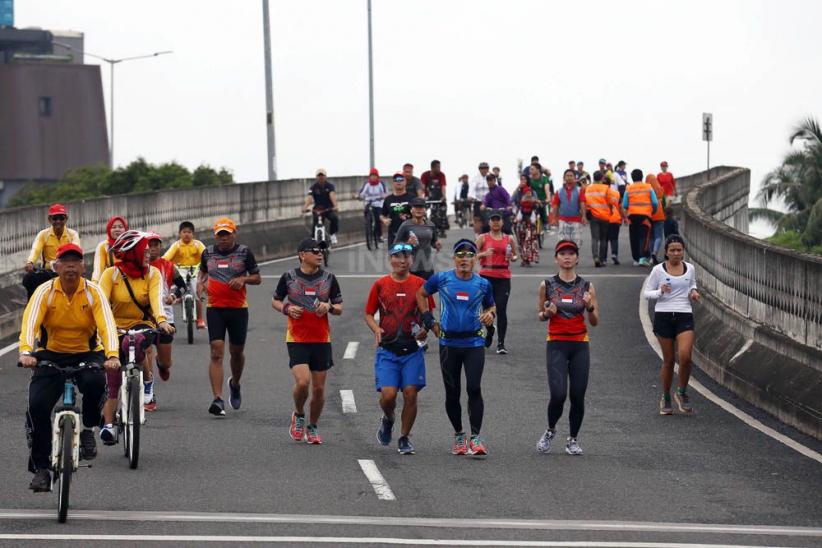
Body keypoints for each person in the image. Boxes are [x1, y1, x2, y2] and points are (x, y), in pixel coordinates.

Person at [19, 243, 120, 492]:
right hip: (51, 354)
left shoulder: (93, 292)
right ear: (57, 267)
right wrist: (25, 352)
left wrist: (112, 355)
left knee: (96, 382)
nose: (71, 267)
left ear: (83, 267)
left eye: (76, 262)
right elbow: (30, 323)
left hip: (87, 352)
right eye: (66, 262)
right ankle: (42, 468)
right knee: (37, 407)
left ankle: (88, 428)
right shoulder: (45, 292)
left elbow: (107, 325)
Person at [416, 239, 496, 456]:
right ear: (454, 258)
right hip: (448, 343)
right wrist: (429, 321)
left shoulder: (483, 284)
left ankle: (476, 437)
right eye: (460, 254)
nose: (464, 258)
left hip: (474, 343)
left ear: (474, 259)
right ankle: (459, 434)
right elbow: (421, 294)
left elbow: (491, 305)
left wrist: (490, 314)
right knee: (452, 393)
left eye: (469, 255)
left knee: (474, 388)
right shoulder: (442, 279)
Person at [98, 231, 174, 443]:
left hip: (142, 324)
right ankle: (110, 424)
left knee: (138, 342)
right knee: (112, 375)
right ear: (132, 253)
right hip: (114, 326)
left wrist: (162, 321)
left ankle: (147, 381)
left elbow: (156, 301)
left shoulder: (153, 274)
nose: (148, 253)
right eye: (144, 250)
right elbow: (101, 305)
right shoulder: (110, 274)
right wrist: (98, 329)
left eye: (149, 249)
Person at [272, 238, 343, 445]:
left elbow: (340, 307)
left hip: (321, 339)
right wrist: (286, 308)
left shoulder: (329, 278)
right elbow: (275, 300)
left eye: (321, 250)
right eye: (314, 250)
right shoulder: (289, 277)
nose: (320, 253)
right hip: (297, 338)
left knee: (319, 389)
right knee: (303, 382)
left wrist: (328, 307)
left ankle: (312, 426)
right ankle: (298, 414)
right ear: (302, 254)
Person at [365, 243, 434, 454]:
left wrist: (425, 330)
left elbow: (428, 313)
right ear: (390, 259)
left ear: (412, 260)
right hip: (387, 350)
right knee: (388, 396)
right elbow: (368, 313)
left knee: (411, 393)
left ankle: (404, 437)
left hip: (412, 350)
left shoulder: (421, 284)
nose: (402, 261)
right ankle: (388, 418)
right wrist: (376, 328)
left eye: (406, 257)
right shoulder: (380, 285)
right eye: (397, 256)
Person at [536, 240, 599, 456]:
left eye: (571, 253)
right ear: (556, 258)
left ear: (577, 258)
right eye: (563, 253)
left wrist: (589, 306)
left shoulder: (587, 286)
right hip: (556, 343)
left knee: (578, 394)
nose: (567, 257)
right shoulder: (547, 285)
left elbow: (595, 320)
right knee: (558, 394)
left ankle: (573, 439)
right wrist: (548, 314)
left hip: (580, 344)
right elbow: (540, 315)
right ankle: (550, 429)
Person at [197, 218, 261, 416]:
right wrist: (200, 284)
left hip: (238, 309)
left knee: (236, 352)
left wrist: (243, 279)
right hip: (215, 308)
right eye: (220, 235)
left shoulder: (244, 252)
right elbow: (202, 273)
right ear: (215, 235)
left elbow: (257, 278)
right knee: (216, 351)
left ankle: (235, 383)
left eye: (227, 234)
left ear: (234, 233)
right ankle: (217, 398)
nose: (223, 238)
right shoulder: (208, 252)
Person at [643, 235, 700, 414]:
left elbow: (692, 284)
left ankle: (681, 392)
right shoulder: (658, 270)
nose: (676, 253)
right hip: (664, 315)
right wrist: (660, 292)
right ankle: (666, 396)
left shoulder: (690, 268)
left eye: (679, 250)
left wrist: (694, 292)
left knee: (685, 357)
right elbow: (647, 293)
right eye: (672, 250)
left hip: (684, 314)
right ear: (666, 253)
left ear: (683, 251)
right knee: (668, 361)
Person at [146, 232, 188, 408]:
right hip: (144, 318)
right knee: (144, 352)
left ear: (160, 247)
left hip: (166, 318)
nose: (153, 248)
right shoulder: (139, 266)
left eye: (156, 245)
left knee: (165, 362)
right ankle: (149, 394)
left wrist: (173, 295)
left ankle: (161, 364)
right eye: (150, 245)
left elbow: (183, 287)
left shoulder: (168, 266)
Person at [476, 211, 517, 354]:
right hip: (486, 276)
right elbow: (471, 256)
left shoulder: (509, 238)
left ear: (502, 222)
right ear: (489, 223)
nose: (495, 222)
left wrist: (512, 257)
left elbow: (516, 256)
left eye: (498, 220)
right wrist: (483, 254)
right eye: (492, 220)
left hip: (503, 276)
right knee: (487, 308)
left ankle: (501, 343)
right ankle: (490, 330)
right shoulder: (483, 238)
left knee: (501, 308)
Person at [23, 203, 81, 299]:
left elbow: (75, 250)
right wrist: (30, 262)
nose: (58, 221)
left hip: (67, 270)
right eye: (55, 218)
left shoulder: (73, 234)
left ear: (66, 219)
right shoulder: (43, 235)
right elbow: (36, 249)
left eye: (61, 218)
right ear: (49, 219)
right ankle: (32, 308)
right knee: (28, 279)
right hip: (49, 272)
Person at [163, 221, 207, 329]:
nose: (186, 234)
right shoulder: (176, 245)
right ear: (179, 233)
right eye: (184, 232)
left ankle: (200, 319)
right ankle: (178, 297)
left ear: (193, 234)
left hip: (194, 271)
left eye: (189, 232)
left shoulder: (198, 244)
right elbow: (166, 257)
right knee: (180, 286)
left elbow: (206, 256)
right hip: (180, 271)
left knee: (197, 293)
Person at [395, 197, 441, 280]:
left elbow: (433, 242)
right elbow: (395, 246)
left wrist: (437, 245)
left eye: (421, 207)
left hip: (427, 267)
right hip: (410, 268)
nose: (418, 210)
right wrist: (408, 244)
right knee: (411, 292)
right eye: (416, 207)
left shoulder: (431, 225)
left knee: (426, 292)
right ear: (411, 210)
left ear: (425, 210)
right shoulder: (405, 225)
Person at [623, 169, 658, 266]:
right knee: (644, 236)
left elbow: (625, 204)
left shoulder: (628, 188)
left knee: (634, 237)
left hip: (632, 216)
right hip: (645, 216)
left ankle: (636, 258)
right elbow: (655, 202)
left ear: (632, 177)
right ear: (642, 177)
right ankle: (643, 257)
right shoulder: (648, 187)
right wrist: (653, 211)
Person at [551, 169, 587, 249]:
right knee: (563, 243)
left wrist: (584, 216)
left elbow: (582, 203)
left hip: (576, 220)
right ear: (564, 178)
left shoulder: (579, 190)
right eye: (567, 176)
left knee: (576, 243)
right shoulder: (559, 191)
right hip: (563, 220)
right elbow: (555, 205)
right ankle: (565, 260)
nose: (569, 177)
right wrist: (554, 218)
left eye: (571, 176)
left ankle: (574, 260)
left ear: (574, 178)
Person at [585, 171, 614, 267]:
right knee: (603, 239)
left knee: (594, 238)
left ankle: (595, 258)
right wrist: (611, 211)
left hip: (593, 215)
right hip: (605, 216)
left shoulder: (588, 188)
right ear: (602, 178)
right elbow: (610, 202)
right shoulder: (606, 188)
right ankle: (601, 260)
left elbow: (586, 202)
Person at [303, 168, 340, 246]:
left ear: (325, 177)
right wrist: (305, 207)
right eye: (319, 176)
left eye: (322, 176)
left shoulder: (329, 186)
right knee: (315, 225)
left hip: (328, 209)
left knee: (334, 218)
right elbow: (310, 198)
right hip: (318, 209)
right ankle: (314, 240)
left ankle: (332, 234)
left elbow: (332, 195)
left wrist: (335, 206)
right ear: (316, 177)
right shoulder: (313, 187)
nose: (321, 178)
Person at [512, 175, 540, 266]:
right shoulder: (518, 192)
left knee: (529, 239)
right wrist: (517, 188)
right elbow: (511, 200)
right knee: (521, 240)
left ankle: (528, 258)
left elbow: (536, 203)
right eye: (521, 179)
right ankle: (524, 259)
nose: (522, 181)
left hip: (530, 219)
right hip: (519, 219)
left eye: (524, 179)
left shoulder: (533, 192)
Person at [381, 172, 415, 248]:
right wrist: (384, 220)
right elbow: (382, 215)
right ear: (393, 183)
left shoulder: (412, 198)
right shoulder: (388, 199)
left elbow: (420, 213)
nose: (398, 181)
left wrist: (409, 217)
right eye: (396, 180)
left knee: (409, 258)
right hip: (393, 235)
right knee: (394, 259)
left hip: (409, 234)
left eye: (401, 179)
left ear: (405, 182)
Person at [92, 216, 127, 283]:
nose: (117, 229)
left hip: (131, 285)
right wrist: (94, 285)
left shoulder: (131, 244)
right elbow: (98, 270)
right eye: (113, 227)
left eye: (120, 227)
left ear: (125, 229)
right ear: (109, 229)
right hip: (112, 284)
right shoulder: (103, 246)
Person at [358, 168, 387, 245]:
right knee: (367, 215)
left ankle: (380, 235)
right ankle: (368, 228)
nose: (373, 177)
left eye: (375, 176)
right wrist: (358, 196)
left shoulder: (381, 184)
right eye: (372, 176)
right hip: (369, 203)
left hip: (378, 203)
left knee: (378, 218)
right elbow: (362, 193)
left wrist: (383, 196)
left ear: (377, 176)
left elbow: (385, 193)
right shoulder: (367, 184)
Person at [647, 173, 667, 265]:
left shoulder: (646, 189)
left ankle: (651, 257)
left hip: (649, 214)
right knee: (658, 236)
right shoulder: (660, 190)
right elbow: (664, 203)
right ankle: (655, 252)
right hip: (659, 215)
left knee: (651, 237)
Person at [528, 164, 553, 231]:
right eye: (530, 169)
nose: (530, 171)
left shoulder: (544, 179)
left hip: (543, 202)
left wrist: (547, 199)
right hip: (534, 202)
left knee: (544, 216)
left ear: (538, 170)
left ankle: (546, 223)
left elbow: (547, 192)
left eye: (532, 169)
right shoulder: (529, 180)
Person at [607, 184, 625, 265]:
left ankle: (603, 258)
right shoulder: (616, 193)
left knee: (605, 239)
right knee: (614, 239)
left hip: (605, 218)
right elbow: (620, 207)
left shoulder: (600, 193)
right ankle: (614, 254)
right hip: (616, 218)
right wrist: (624, 217)